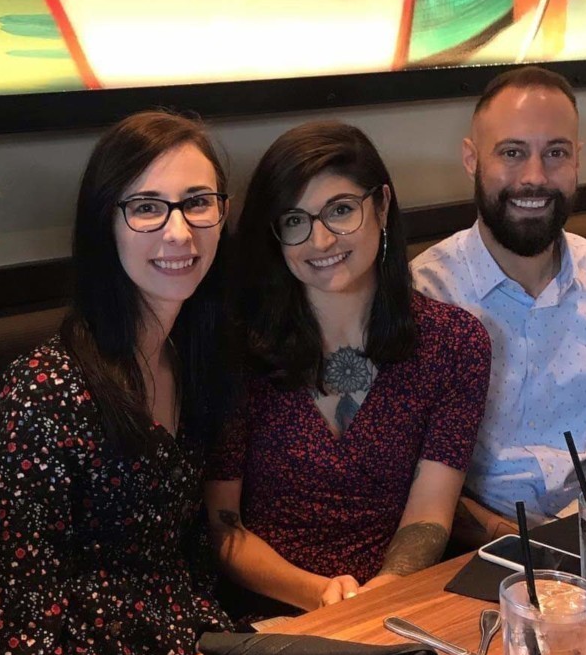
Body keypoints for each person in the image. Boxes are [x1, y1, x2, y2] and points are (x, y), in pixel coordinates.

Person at [0, 111, 233, 655]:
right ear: (105, 225)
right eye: (146, 207)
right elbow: (20, 623)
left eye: (197, 202)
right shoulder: (42, 393)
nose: (179, 233)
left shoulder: (196, 359)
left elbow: (192, 557)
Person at [206, 121, 491, 615]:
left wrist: (386, 587)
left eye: (340, 211)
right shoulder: (238, 349)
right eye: (295, 220)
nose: (320, 240)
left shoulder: (454, 344)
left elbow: (429, 513)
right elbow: (223, 526)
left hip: (397, 604)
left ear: (381, 206)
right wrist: (320, 595)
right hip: (264, 616)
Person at [410, 66, 586, 542]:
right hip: (468, 548)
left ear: (577, 160)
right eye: (512, 153)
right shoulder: (425, 292)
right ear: (471, 160)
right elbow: (405, 475)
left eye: (555, 153)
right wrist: (522, 544)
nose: (535, 177)